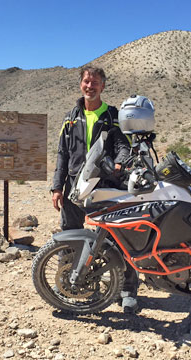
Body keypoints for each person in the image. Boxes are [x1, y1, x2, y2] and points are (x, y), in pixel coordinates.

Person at [51, 65, 140, 313]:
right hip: (74, 186)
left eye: (95, 82)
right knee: (70, 233)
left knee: (119, 237)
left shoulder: (113, 115)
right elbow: (62, 154)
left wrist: (120, 163)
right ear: (81, 84)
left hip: (106, 184)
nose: (90, 86)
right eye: (86, 82)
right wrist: (57, 187)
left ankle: (127, 289)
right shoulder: (71, 117)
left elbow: (124, 145)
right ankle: (68, 282)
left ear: (103, 86)